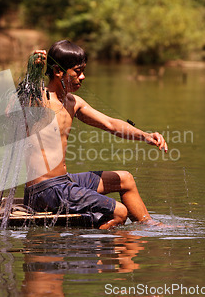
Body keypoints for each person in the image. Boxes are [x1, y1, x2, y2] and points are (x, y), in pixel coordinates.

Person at [23, 40, 168, 229]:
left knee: (126, 179)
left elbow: (110, 124)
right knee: (119, 212)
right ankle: (86, 248)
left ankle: (149, 226)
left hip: (63, 182)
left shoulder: (73, 102)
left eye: (83, 70)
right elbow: (12, 109)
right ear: (58, 72)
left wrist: (145, 136)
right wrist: (31, 74)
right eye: (77, 71)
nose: (82, 77)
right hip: (44, 191)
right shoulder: (37, 99)